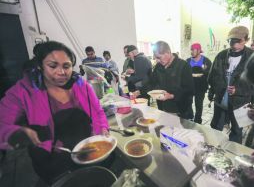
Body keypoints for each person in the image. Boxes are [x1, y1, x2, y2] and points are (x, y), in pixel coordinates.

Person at [0, 41, 109, 184]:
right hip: (52, 163)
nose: (61, 72)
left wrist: (102, 129)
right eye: (52, 66)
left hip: (88, 153)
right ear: (40, 66)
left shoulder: (82, 85)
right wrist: (14, 134)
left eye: (66, 66)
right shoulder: (24, 91)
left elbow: (98, 112)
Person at [208, 26, 253, 144]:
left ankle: (233, 156)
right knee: (215, 129)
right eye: (231, 40)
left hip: (242, 104)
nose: (233, 44)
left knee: (237, 132)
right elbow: (212, 77)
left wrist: (238, 90)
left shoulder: (251, 57)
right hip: (220, 101)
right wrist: (212, 93)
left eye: (238, 41)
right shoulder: (221, 55)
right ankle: (212, 152)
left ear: (246, 40)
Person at [132, 41, 194, 119]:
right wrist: (139, 91)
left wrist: (171, 96)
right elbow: (151, 83)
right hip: (163, 109)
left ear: (168, 53)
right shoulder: (159, 66)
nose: (157, 60)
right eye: (156, 58)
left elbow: (189, 90)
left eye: (159, 57)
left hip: (180, 110)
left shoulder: (183, 66)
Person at [186, 43, 212, 124]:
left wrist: (203, 75)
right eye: (191, 50)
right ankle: (190, 116)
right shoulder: (188, 61)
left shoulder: (206, 61)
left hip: (201, 87)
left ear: (198, 50)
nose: (191, 52)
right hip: (189, 87)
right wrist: (192, 75)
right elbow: (184, 73)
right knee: (188, 102)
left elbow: (210, 74)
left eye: (193, 50)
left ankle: (198, 120)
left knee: (199, 104)